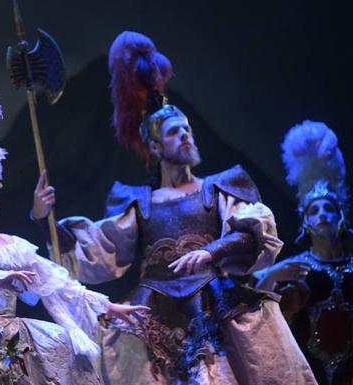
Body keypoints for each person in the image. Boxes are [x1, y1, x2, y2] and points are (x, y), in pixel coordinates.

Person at [31, 31, 317, 385]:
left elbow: (253, 233)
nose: (186, 136)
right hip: (155, 311)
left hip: (214, 304)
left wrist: (211, 253)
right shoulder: (140, 202)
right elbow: (99, 249)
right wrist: (46, 222)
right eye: (174, 132)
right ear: (154, 145)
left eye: (188, 130)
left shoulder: (219, 188)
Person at [0, 63, 147, 385]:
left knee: (62, 346)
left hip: (15, 349)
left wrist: (110, 306)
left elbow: (62, 286)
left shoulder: (12, 247)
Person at [255, 121, 353, 385]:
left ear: (341, 218)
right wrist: (273, 276)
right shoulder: (294, 268)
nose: (322, 214)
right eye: (314, 210)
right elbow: (255, 315)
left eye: (329, 209)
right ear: (306, 223)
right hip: (307, 375)